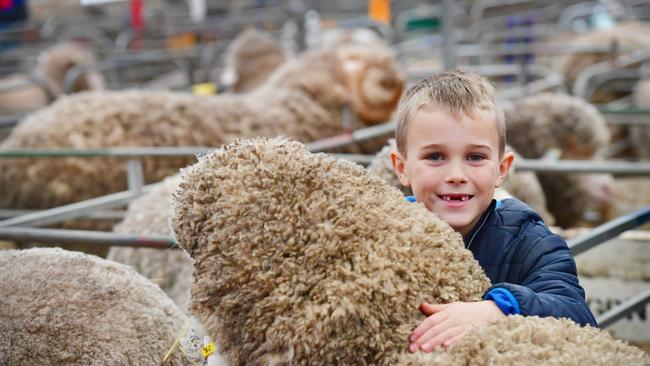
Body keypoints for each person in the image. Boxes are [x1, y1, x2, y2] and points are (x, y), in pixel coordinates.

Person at [389, 69, 597, 353]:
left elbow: (578, 313)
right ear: (402, 167)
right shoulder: (385, 234)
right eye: (435, 156)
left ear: (501, 169)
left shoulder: (529, 241)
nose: (456, 175)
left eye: (475, 157)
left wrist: (499, 308)